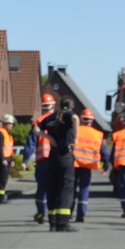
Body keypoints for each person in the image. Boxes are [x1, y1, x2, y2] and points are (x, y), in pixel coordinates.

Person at [40, 96, 79, 232]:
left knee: (52, 188)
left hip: (53, 156)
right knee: (66, 188)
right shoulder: (69, 114)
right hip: (65, 155)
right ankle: (63, 223)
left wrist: (49, 138)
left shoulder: (51, 117)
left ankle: (52, 223)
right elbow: (75, 119)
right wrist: (75, 137)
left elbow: (35, 128)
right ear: (71, 106)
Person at [24, 93, 56, 223]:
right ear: (53, 105)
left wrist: (25, 160)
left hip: (43, 161)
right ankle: (53, 215)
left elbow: (31, 143)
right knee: (55, 188)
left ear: (42, 107)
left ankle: (41, 213)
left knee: (41, 188)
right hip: (56, 160)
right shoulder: (59, 120)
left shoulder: (37, 122)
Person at [72, 108, 106, 222]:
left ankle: (68, 211)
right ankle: (81, 214)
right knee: (84, 189)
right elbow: (103, 151)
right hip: (87, 166)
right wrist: (106, 163)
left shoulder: (74, 131)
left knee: (71, 189)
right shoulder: (97, 134)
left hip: (74, 164)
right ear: (92, 121)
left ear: (81, 119)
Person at [0, 114, 15, 204]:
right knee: (3, 177)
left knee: (5, 177)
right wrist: (2, 159)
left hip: (8, 158)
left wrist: (11, 159)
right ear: (5, 123)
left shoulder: (8, 133)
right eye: (10, 123)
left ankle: (1, 195)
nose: (11, 125)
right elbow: (0, 147)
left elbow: (10, 147)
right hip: (2, 158)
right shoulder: (0, 133)